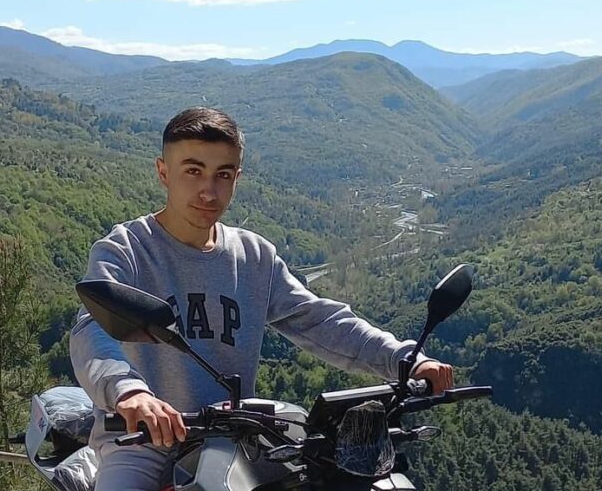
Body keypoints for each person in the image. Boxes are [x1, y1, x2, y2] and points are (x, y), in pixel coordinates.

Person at [70, 107, 453, 490]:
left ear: (237, 177)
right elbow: (92, 329)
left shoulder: (253, 256)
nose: (209, 191)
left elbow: (319, 320)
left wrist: (405, 359)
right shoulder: (127, 249)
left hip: (234, 440)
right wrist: (130, 392)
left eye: (223, 175)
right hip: (141, 441)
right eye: (193, 171)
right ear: (163, 172)